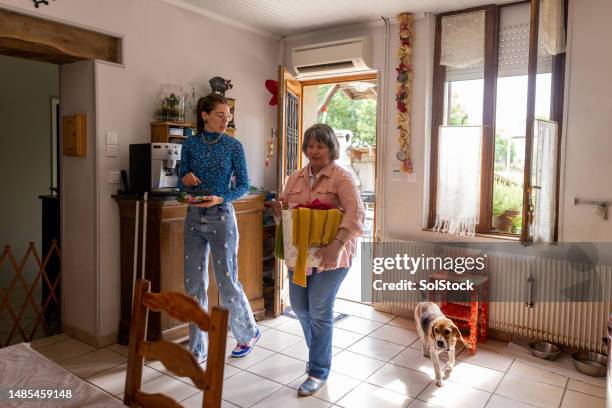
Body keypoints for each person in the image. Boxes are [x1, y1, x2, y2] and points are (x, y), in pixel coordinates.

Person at [273, 123, 365, 396]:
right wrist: (278, 210)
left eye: (320, 146)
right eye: (310, 145)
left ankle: (318, 370)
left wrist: (336, 245)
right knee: (301, 309)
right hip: (300, 256)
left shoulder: (341, 178)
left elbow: (356, 214)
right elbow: (286, 215)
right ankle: (318, 355)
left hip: (331, 256)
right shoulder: (295, 178)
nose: (313, 151)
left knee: (320, 311)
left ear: (330, 149)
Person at [178, 93, 260, 362]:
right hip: (193, 217)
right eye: (220, 115)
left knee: (226, 281)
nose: (226, 120)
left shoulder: (233, 146)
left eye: (228, 116)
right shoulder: (189, 145)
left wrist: (221, 197)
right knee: (194, 285)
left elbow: (244, 186)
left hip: (222, 216)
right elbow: (181, 183)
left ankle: (247, 333)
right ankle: (197, 347)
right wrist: (186, 181)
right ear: (205, 115)